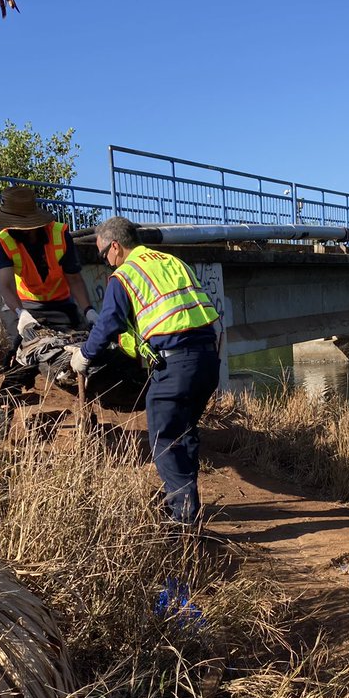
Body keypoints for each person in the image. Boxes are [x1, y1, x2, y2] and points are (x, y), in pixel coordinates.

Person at [67, 216, 221, 526]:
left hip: (175, 365)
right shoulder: (173, 262)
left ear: (115, 246)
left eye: (103, 254)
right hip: (207, 360)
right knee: (185, 432)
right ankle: (184, 503)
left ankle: (183, 520)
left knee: (165, 439)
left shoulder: (125, 275)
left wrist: (84, 355)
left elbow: (109, 323)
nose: (105, 261)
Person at [0, 187, 97, 421]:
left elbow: (74, 278)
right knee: (22, 355)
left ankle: (88, 413)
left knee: (82, 353)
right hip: (27, 305)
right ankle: (4, 411)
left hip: (62, 305)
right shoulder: (3, 242)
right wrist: (21, 314)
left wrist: (88, 310)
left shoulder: (59, 234)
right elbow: (6, 285)